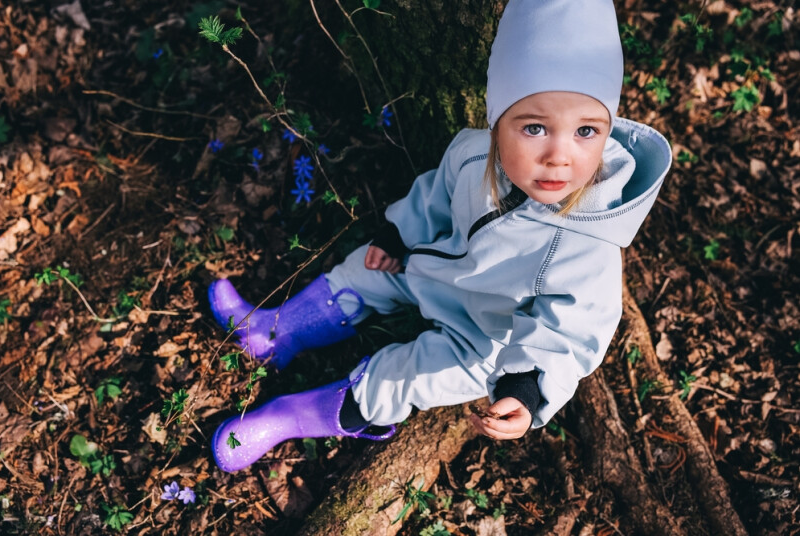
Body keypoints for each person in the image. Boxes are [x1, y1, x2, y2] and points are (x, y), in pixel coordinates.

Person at [207, 0, 672, 472]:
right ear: (497, 122)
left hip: (486, 341)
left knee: (405, 378)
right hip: (432, 268)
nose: (559, 155)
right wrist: (397, 234)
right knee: (363, 271)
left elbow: (567, 332)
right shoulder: (473, 153)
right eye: (534, 127)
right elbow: (434, 195)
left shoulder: (590, 246)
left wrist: (525, 387)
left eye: (586, 131)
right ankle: (274, 332)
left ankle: (290, 416)